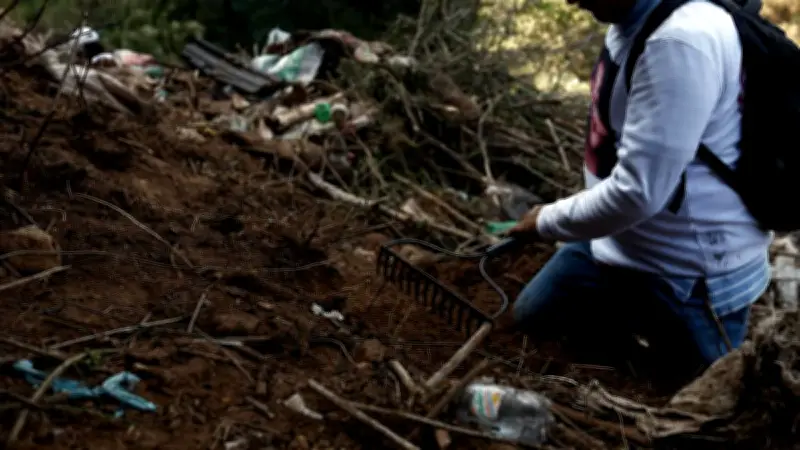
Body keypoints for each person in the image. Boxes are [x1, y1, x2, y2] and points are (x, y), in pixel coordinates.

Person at [507, 0, 771, 370]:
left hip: (689, 274)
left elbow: (637, 193)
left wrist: (545, 221)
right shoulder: (634, 19)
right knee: (534, 319)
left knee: (685, 395)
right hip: (616, 242)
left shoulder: (680, 42)